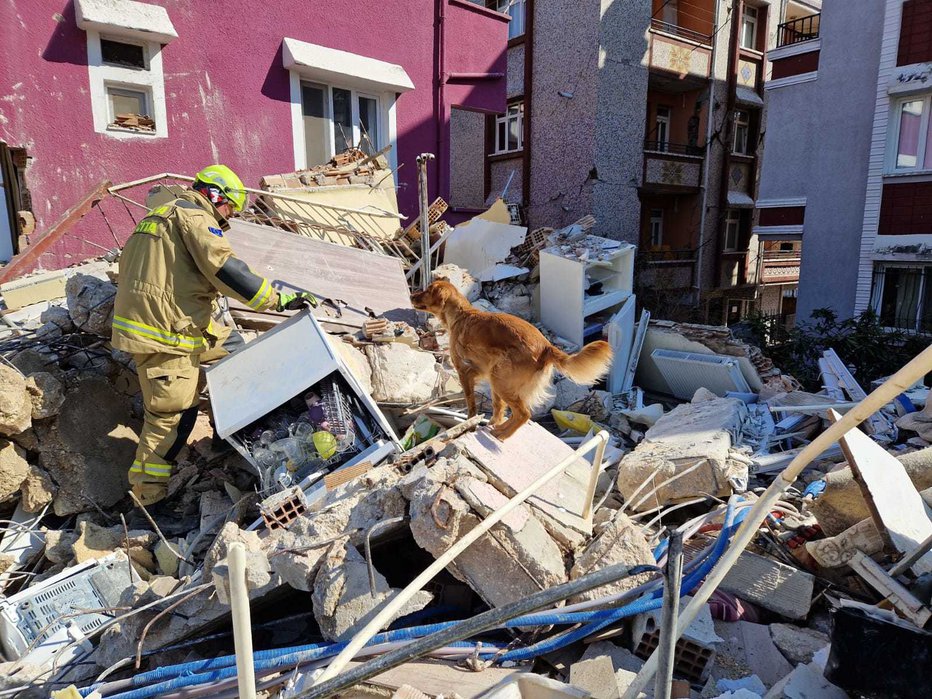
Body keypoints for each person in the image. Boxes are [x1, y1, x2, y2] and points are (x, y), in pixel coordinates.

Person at [112, 164, 316, 506]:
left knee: (236, 352)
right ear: (215, 195)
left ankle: (229, 434)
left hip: (177, 322)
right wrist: (279, 298)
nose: (228, 218)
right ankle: (148, 500)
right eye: (228, 209)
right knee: (173, 418)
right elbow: (225, 268)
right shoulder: (194, 217)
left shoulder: (161, 214)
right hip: (164, 334)